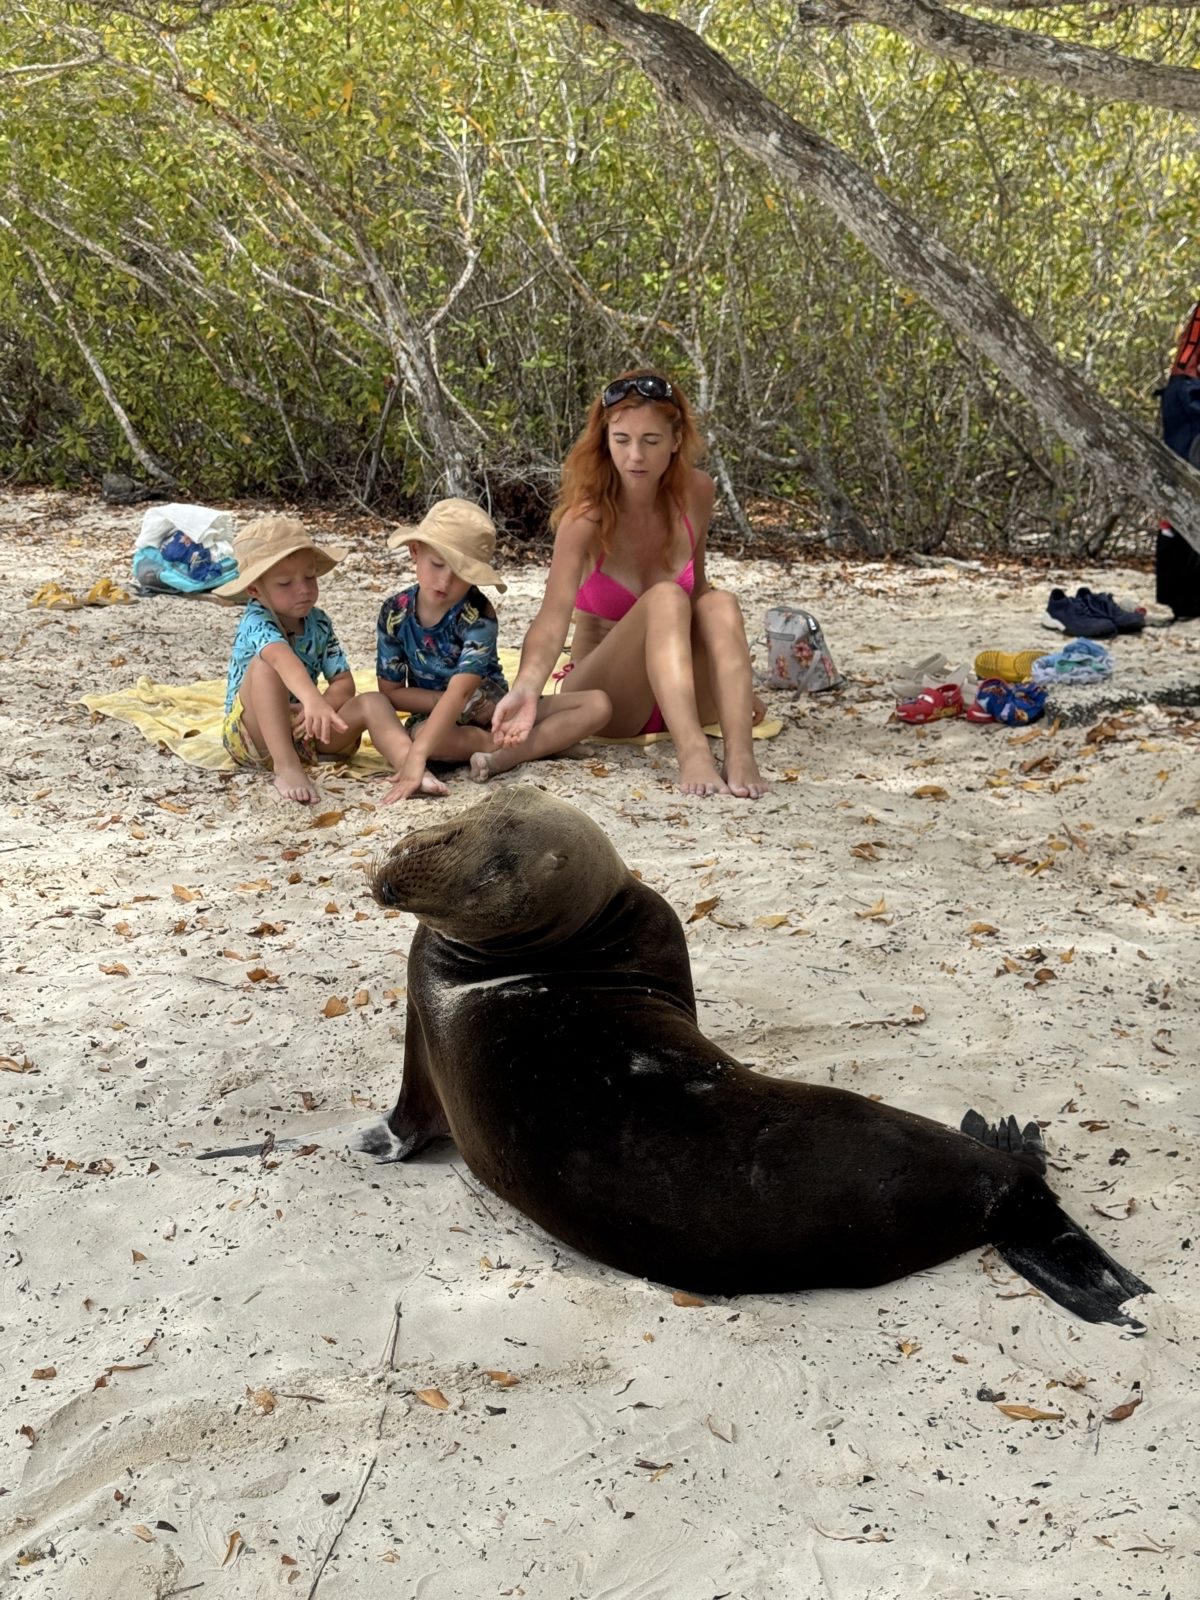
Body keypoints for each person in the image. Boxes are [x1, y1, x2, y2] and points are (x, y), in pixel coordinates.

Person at [490, 370, 768, 798]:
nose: (635, 455)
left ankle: (740, 754)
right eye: (622, 440)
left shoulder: (698, 493)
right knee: (664, 599)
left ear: (675, 441)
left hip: (687, 696)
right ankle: (693, 753)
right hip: (614, 700)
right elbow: (551, 618)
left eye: (651, 441)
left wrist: (734, 682)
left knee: (720, 603)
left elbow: (699, 594)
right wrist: (527, 687)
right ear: (605, 439)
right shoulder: (584, 520)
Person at [375, 499, 610, 801]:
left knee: (598, 705)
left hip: (498, 711)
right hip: (437, 717)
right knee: (423, 738)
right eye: (437, 564)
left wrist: (426, 746)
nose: (445, 580)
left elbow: (463, 691)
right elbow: (391, 692)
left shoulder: (479, 613)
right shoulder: (395, 612)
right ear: (415, 552)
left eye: (461, 573)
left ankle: (509, 751)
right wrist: (422, 745)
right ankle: (527, 746)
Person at [216, 515, 440, 806]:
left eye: (309, 577)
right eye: (285, 583)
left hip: (305, 727)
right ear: (255, 590)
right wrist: (312, 699)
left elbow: (343, 683)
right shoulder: (256, 620)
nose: (303, 589)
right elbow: (281, 659)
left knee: (373, 701)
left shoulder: (319, 623)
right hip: (254, 734)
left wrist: (320, 707)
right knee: (264, 667)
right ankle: (286, 767)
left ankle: (410, 764)